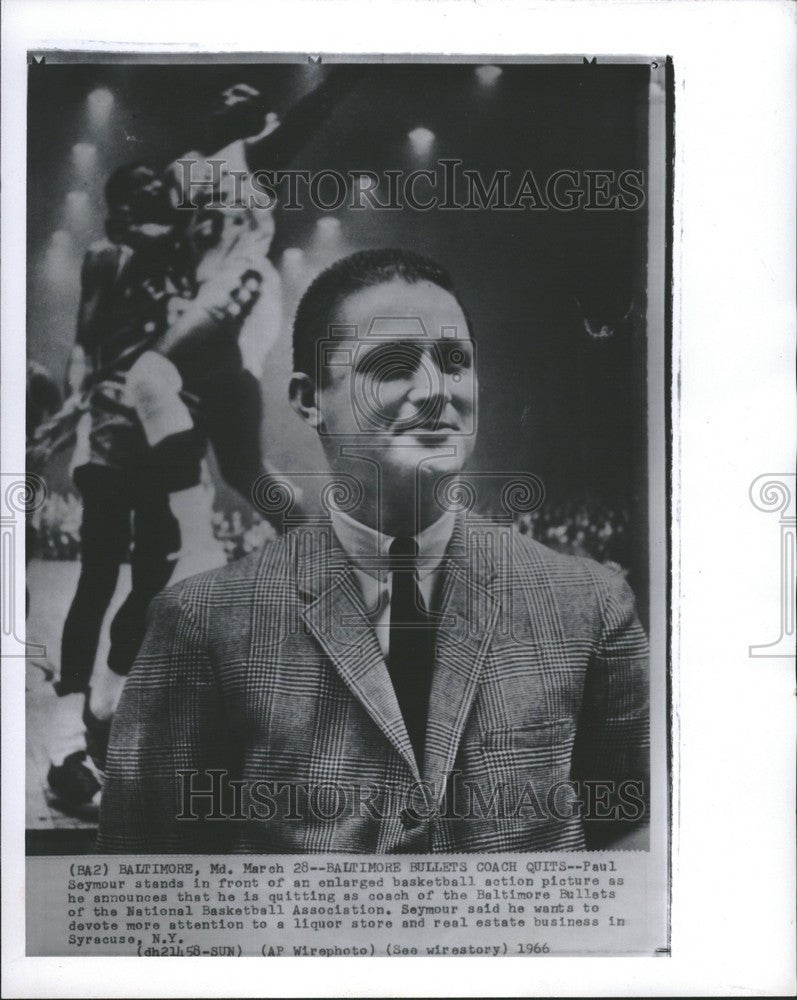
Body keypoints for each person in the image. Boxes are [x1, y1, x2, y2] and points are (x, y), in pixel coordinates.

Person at [99, 248, 649, 854]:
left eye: (455, 361)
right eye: (391, 365)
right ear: (310, 400)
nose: (436, 391)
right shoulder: (200, 622)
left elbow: (637, 832)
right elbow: (144, 873)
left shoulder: (590, 604)